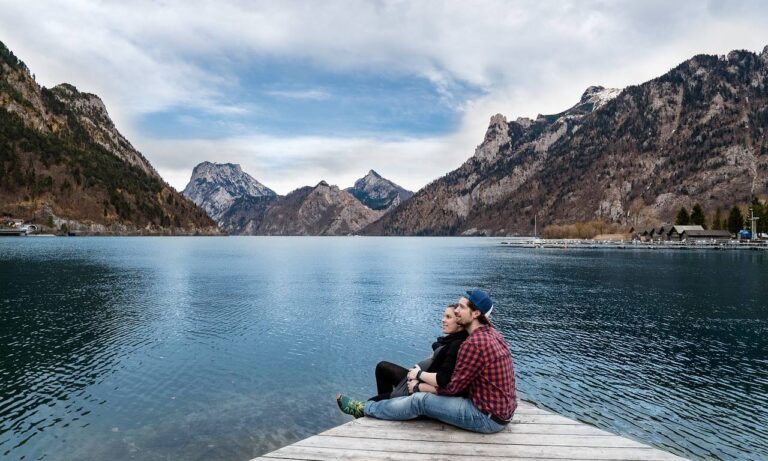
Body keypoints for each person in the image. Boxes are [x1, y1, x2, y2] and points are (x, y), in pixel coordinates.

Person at [336, 289, 516, 434]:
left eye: (461, 307)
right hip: (501, 411)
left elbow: (451, 387)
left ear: (476, 313)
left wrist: (418, 384)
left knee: (420, 402)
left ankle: (364, 409)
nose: (456, 311)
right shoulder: (493, 334)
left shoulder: (473, 343)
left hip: (485, 417)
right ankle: (375, 409)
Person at [369, 303, 468, 401]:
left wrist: (418, 376)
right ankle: (386, 403)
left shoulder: (456, 345)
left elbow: (443, 379)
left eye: (448, 317)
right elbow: (437, 346)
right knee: (382, 367)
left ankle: (387, 404)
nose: (443, 320)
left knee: (372, 403)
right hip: (415, 380)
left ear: (459, 322)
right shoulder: (451, 341)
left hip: (416, 387)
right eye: (444, 316)